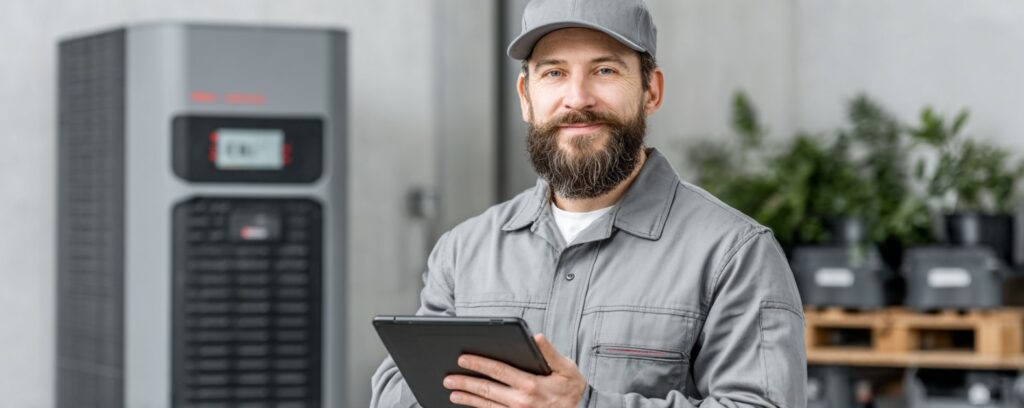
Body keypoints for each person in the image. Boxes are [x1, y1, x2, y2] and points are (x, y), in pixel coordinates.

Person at [371, 0, 806, 406]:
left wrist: (587, 404)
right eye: (554, 73)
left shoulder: (735, 254)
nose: (577, 98)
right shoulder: (464, 251)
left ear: (650, 92)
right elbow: (396, 389)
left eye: (604, 71)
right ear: (526, 97)